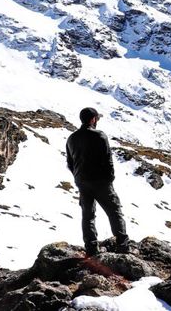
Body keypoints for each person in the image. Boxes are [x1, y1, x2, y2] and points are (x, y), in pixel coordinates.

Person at [66, 107, 130, 256]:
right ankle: (123, 245)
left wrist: (78, 177)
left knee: (87, 215)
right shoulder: (100, 136)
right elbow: (108, 159)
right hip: (101, 181)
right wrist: (110, 178)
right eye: (97, 119)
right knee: (114, 211)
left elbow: (70, 162)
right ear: (93, 119)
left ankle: (91, 248)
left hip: (82, 182)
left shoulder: (72, 138)